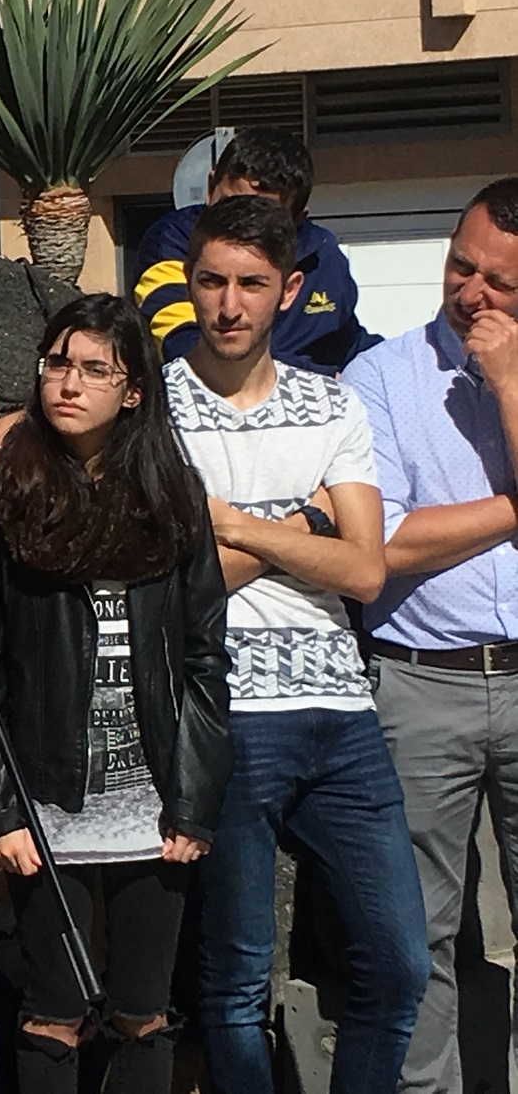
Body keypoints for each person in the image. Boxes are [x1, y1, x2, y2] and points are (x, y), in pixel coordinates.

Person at [165, 194, 428, 1093]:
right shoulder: (153, 411)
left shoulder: (331, 401)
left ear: (290, 289)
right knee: (237, 983)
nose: (227, 304)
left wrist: (239, 526)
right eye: (210, 281)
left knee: (398, 966)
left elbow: (362, 572)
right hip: (226, 710)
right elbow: (180, 592)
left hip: (342, 713)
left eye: (250, 284)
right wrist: (308, 520)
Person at [0, 292, 231, 1093]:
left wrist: (194, 801)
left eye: (92, 369)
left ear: (132, 389)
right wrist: (1, 810)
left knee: (143, 1011)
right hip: (47, 797)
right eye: (54, 364)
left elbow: (204, 659)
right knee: (51, 1011)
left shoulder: (172, 494)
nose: (66, 383)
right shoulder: (9, 493)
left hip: (152, 804)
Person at [343, 175, 518, 1093]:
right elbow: (386, 545)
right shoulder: (380, 375)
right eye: (459, 267)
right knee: (419, 936)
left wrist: (509, 382)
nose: (470, 293)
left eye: (498, 283)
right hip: (421, 678)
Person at [131, 126, 379, 375]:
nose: (239, 226)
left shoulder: (323, 256)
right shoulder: (172, 241)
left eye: (264, 218)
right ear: (210, 187)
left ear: (298, 220)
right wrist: (317, 377)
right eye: (230, 204)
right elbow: (184, 347)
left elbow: (350, 346)